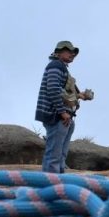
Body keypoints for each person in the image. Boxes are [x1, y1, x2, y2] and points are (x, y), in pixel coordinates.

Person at [34, 41, 93, 173]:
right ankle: (51, 181)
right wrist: (62, 112)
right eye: (69, 51)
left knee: (60, 154)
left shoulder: (62, 68)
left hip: (64, 116)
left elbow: (64, 92)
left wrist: (80, 95)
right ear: (58, 52)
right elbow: (53, 89)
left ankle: (59, 178)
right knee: (54, 154)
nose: (72, 54)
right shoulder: (56, 65)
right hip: (56, 115)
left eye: (74, 53)